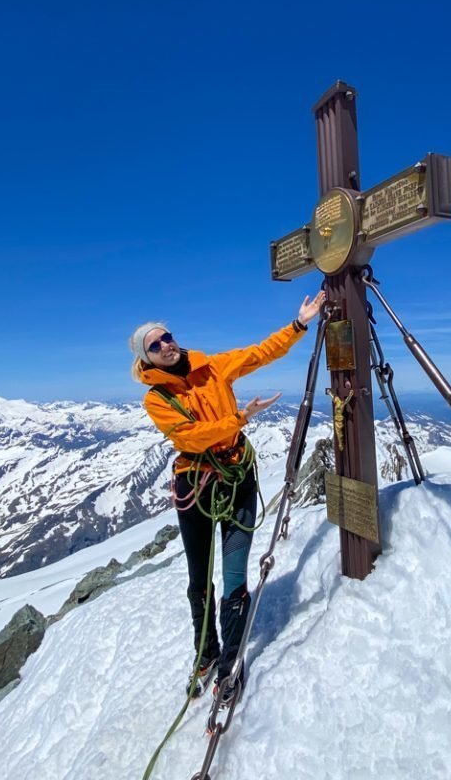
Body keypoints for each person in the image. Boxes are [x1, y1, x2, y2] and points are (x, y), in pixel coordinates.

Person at [129, 290, 325, 704]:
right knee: (199, 580)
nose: (166, 344)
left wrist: (299, 324)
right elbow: (188, 438)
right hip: (196, 486)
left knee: (233, 577)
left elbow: (258, 354)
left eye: (167, 336)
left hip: (234, 480)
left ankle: (230, 660)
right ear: (145, 358)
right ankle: (206, 654)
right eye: (155, 344)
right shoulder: (156, 397)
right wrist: (239, 419)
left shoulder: (211, 366)